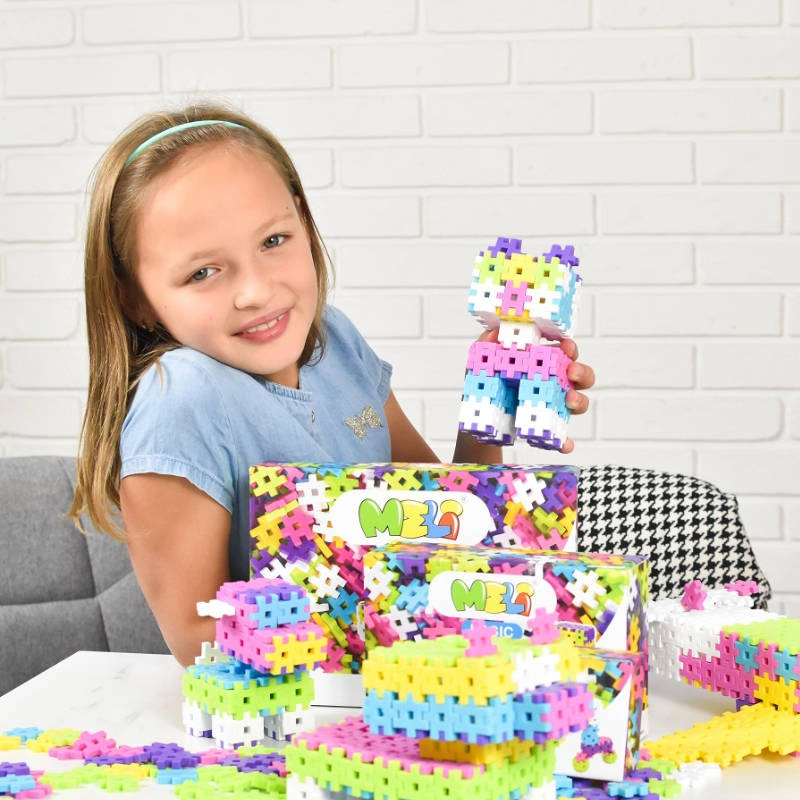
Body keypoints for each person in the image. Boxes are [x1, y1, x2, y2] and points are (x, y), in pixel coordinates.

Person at [68, 102, 596, 666]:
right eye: (202, 272)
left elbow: (448, 521)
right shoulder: (181, 398)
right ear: (135, 298)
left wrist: (492, 402)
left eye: (273, 241)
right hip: (296, 706)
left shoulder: (334, 340)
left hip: (402, 685)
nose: (255, 291)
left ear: (302, 218)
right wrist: (373, 615)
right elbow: (195, 635)